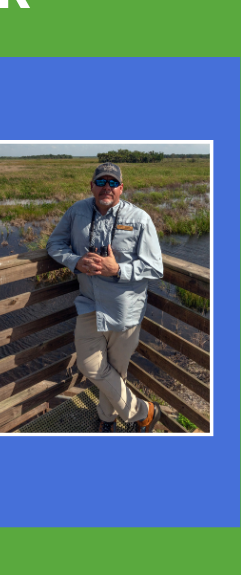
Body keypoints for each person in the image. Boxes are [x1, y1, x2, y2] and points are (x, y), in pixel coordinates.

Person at [46, 162, 164, 432]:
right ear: (92, 186)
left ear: (121, 188)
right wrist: (75, 261)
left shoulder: (139, 219)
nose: (106, 187)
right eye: (101, 182)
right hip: (89, 305)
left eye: (113, 183)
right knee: (90, 366)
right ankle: (144, 412)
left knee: (116, 372)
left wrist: (118, 269)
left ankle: (107, 420)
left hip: (125, 311)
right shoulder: (76, 212)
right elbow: (54, 244)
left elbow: (156, 267)